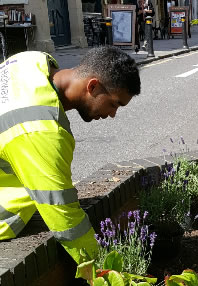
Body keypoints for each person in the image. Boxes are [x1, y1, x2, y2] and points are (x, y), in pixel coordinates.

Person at [0, 46, 141, 264]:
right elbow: (65, 218)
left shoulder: (30, 60)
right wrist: (108, 275)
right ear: (92, 86)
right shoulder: (40, 131)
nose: (112, 114)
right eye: (114, 104)